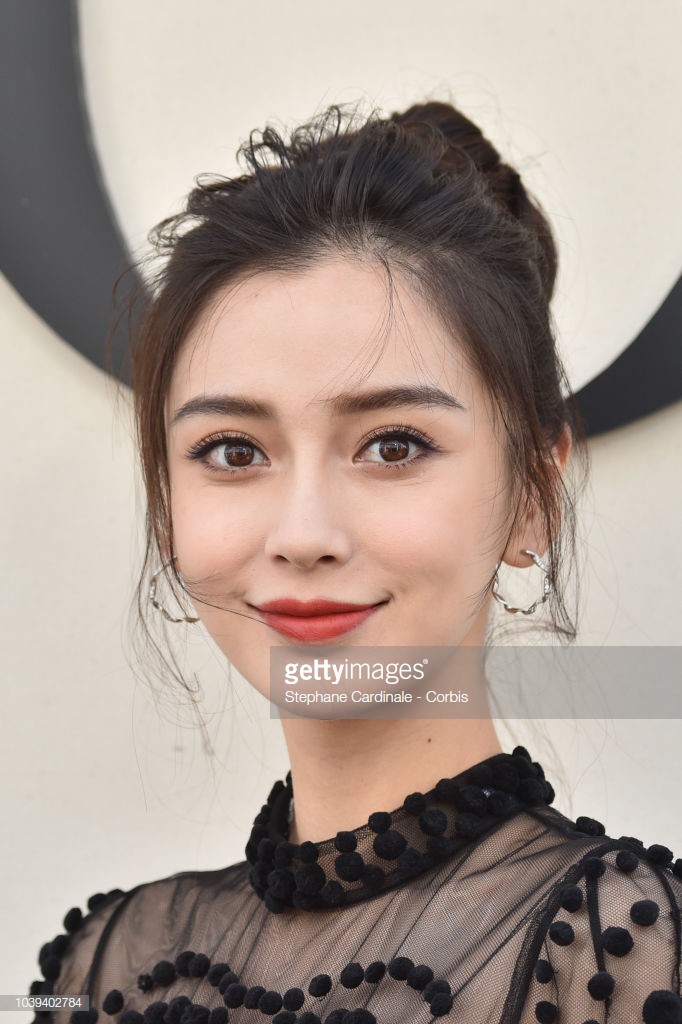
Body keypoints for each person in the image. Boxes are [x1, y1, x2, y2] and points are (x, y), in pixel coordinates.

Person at [27, 99, 682, 1024]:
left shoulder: (618, 957)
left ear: (533, 495)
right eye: (234, 451)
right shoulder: (105, 965)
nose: (304, 533)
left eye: (393, 445)